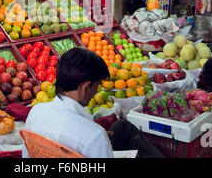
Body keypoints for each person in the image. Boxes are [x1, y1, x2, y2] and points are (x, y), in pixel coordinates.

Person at [22, 47, 164, 158]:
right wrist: (98, 139)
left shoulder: (36, 111)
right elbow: (89, 137)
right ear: (85, 87)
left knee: (121, 127)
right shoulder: (94, 135)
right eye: (97, 86)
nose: (97, 92)